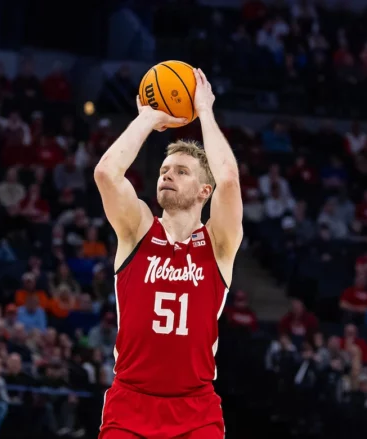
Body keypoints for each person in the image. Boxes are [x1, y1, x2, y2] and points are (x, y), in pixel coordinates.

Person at [93, 68, 243, 439]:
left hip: (195, 409)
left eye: (181, 171)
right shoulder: (137, 229)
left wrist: (204, 111)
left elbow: (228, 179)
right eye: (164, 169)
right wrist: (147, 118)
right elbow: (106, 174)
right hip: (130, 403)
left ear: (204, 191)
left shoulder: (218, 242)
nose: (167, 175)